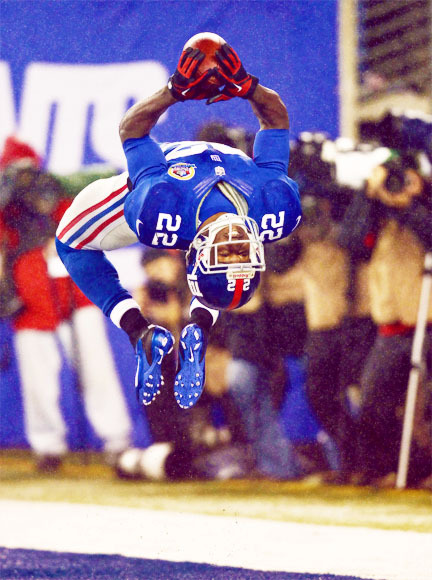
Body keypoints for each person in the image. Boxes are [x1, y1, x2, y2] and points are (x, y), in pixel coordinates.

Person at [56, 40, 301, 412]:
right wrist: (248, 86)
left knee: (70, 242)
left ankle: (139, 332)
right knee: (223, 276)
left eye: (225, 249)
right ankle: (198, 328)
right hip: (190, 198)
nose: (234, 239)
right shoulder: (275, 208)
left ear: (195, 251)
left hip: (162, 183)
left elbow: (133, 132)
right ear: (257, 246)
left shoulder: (161, 208)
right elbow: (276, 118)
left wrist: (174, 91)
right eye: (240, 250)